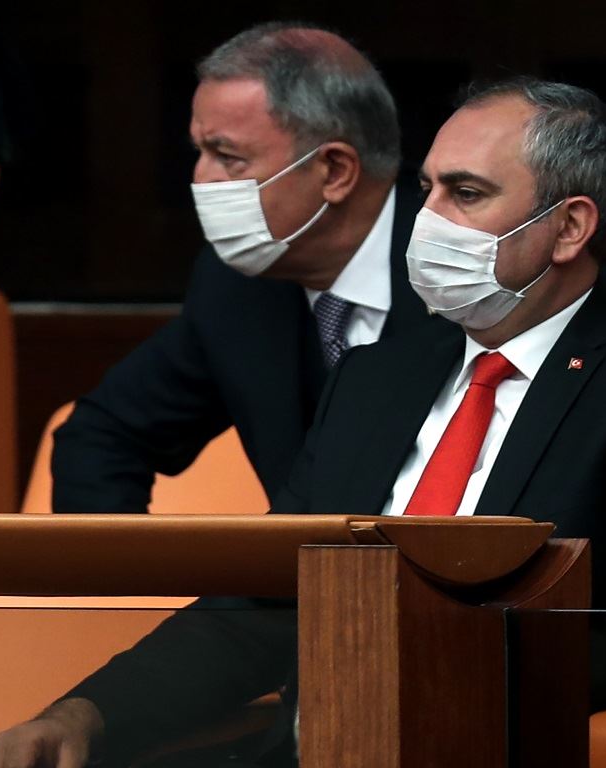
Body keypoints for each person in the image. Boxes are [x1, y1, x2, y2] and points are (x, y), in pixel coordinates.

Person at [0, 78, 606, 768]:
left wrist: (438, 677)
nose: (425, 217)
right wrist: (86, 717)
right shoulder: (380, 376)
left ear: (569, 227)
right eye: (428, 188)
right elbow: (262, 602)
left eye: (466, 193)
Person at [51, 23, 436, 513]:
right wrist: (137, 579)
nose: (200, 178)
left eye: (226, 156)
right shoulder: (236, 286)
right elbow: (103, 435)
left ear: (335, 171)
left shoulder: (464, 272)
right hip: (290, 582)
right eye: (199, 152)